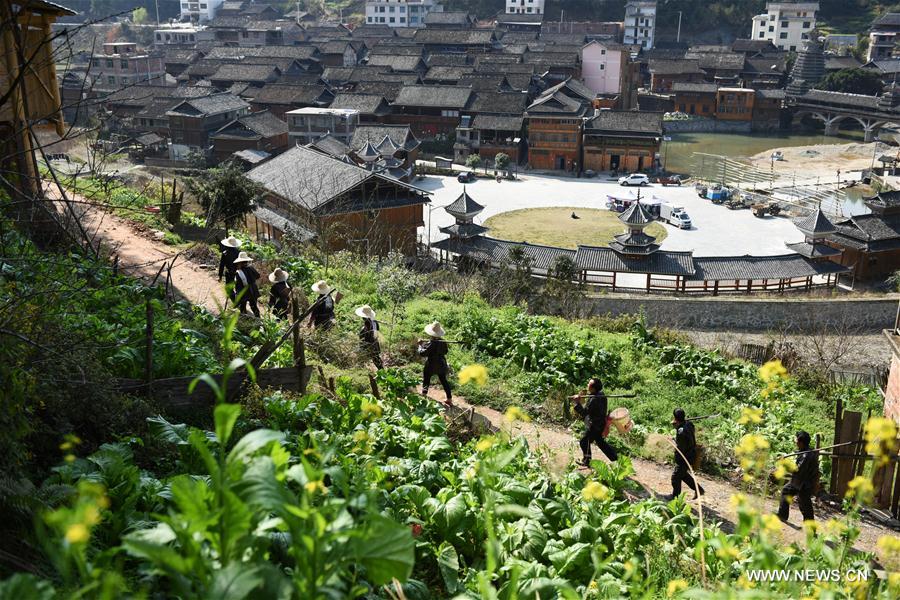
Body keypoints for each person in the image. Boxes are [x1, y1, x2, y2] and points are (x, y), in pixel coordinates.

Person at [572, 378, 618, 467]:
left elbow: (584, 413)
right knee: (600, 443)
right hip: (600, 424)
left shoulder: (594, 399)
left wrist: (577, 403)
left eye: (589, 384)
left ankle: (587, 460)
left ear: (593, 388)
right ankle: (616, 459)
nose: (587, 385)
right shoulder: (601, 395)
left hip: (594, 426)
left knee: (584, 441)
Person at [778, 430, 819, 523]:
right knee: (786, 491)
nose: (795, 442)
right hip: (798, 481)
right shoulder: (804, 451)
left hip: (804, 484)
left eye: (797, 440)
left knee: (805, 504)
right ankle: (782, 515)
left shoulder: (806, 455)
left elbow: (798, 470)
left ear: (801, 442)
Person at [669, 408, 705, 500]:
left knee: (675, 478)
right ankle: (699, 490)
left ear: (675, 418)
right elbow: (685, 431)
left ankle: (675, 498)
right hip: (691, 454)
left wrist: (672, 440)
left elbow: (680, 448)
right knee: (683, 475)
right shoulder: (689, 424)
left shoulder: (681, 432)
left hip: (684, 458)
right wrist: (677, 425)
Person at [419, 321, 451, 405]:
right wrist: (425, 344)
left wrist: (420, 345)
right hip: (441, 364)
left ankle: (424, 395)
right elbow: (445, 351)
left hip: (431, 364)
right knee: (444, 381)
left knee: (426, 378)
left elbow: (422, 353)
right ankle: (449, 399)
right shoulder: (443, 342)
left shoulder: (431, 343)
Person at [232, 252, 260, 317]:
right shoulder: (251, 268)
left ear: (239, 262)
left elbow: (237, 285)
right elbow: (258, 276)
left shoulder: (238, 272)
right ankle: (258, 319)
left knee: (242, 307)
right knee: (254, 306)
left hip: (244, 291)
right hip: (253, 289)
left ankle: (244, 320)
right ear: (247, 261)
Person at [356, 304, 383, 369]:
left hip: (369, 346)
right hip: (375, 345)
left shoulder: (367, 325)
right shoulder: (375, 323)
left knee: (371, 360)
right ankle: (382, 371)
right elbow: (376, 335)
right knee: (377, 360)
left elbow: (366, 337)